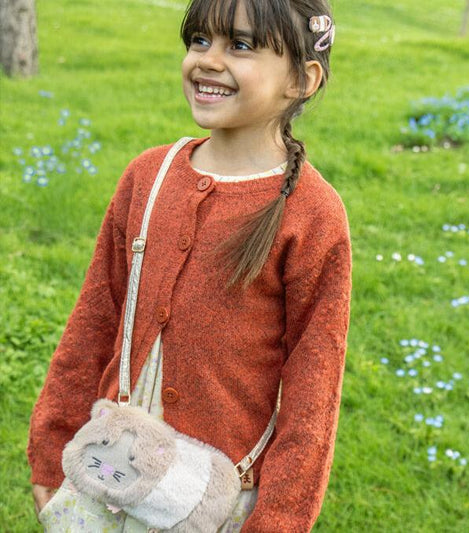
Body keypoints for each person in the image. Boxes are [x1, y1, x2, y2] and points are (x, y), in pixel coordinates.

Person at [28, 0, 352, 531]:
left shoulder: (313, 216)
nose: (207, 59)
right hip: (109, 461)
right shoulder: (146, 177)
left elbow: (314, 387)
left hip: (215, 496)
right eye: (199, 40)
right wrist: (51, 442)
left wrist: (279, 518)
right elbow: (95, 320)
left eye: (240, 45)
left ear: (302, 79)